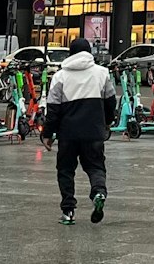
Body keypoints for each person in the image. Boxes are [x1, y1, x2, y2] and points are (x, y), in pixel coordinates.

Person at [44, 39, 118, 226]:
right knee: (95, 167)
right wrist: (107, 123)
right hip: (93, 131)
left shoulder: (60, 76)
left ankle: (68, 211)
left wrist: (47, 133)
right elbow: (110, 101)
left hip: (68, 133)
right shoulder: (102, 73)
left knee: (66, 170)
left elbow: (53, 108)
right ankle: (98, 192)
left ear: (71, 53)